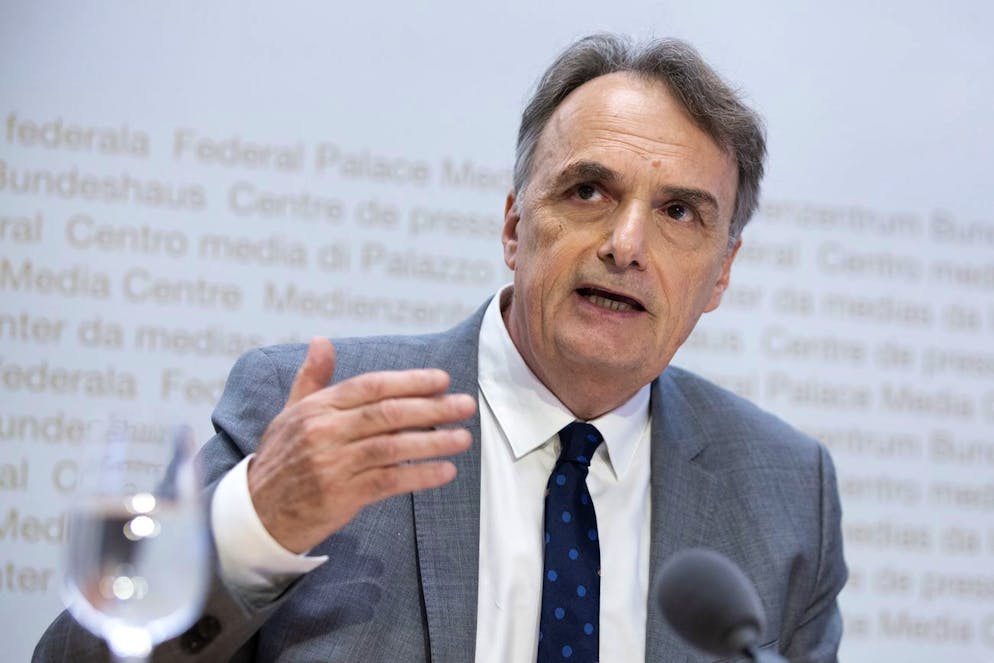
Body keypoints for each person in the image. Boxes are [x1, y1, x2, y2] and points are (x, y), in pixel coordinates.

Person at [35, 33, 846, 663]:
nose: (626, 244)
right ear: (514, 225)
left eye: (679, 213)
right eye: (588, 190)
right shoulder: (307, 411)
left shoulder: (787, 491)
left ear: (722, 272)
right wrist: (258, 527)